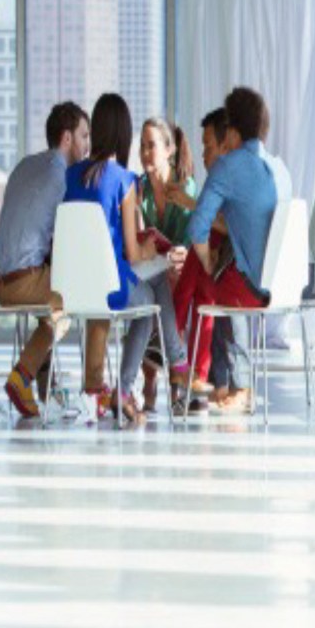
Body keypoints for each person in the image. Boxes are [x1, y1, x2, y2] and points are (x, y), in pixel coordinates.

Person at [63, 93, 191, 423]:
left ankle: (168, 367)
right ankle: (139, 382)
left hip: (72, 286)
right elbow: (134, 255)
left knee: (151, 293)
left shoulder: (71, 174)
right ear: (124, 133)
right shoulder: (125, 180)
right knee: (151, 295)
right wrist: (151, 248)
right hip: (109, 286)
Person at [185, 87, 292, 413]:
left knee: (207, 278)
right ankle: (221, 381)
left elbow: (196, 227)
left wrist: (205, 259)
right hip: (285, 284)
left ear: (232, 129)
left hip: (252, 288)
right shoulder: (279, 167)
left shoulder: (228, 167)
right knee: (217, 276)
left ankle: (230, 382)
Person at [0, 102, 90, 418]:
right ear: (67, 138)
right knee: (72, 296)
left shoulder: (25, 165)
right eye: (83, 136)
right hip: (25, 283)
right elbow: (62, 241)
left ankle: (44, 391)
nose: (87, 145)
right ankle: (22, 375)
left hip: (0, 284)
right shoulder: (61, 176)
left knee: (53, 297)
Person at [165, 108, 231, 404]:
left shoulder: (233, 183)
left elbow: (230, 227)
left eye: (208, 147)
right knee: (199, 287)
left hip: (231, 268)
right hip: (211, 265)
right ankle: (195, 372)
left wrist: (190, 203)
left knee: (196, 281)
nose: (203, 155)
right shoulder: (218, 183)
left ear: (226, 146)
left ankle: (169, 340)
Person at [137, 116, 199, 411]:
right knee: (146, 286)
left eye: (151, 146)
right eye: (142, 146)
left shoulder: (186, 187)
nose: (145, 153)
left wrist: (181, 254)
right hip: (151, 267)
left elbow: (194, 240)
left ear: (169, 150)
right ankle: (160, 374)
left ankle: (173, 378)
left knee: (174, 281)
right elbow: (134, 240)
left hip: (180, 269)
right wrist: (134, 208)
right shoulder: (137, 190)